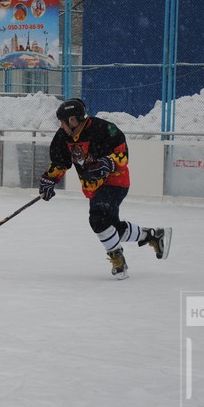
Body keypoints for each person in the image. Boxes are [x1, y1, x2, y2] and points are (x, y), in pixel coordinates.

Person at [38, 98, 172, 280]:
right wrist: (50, 179)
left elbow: (122, 154)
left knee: (97, 219)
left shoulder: (103, 129)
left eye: (63, 121)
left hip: (115, 182)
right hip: (93, 188)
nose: (61, 126)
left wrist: (109, 162)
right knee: (114, 229)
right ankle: (153, 236)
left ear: (73, 120)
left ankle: (118, 258)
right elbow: (60, 162)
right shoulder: (63, 137)